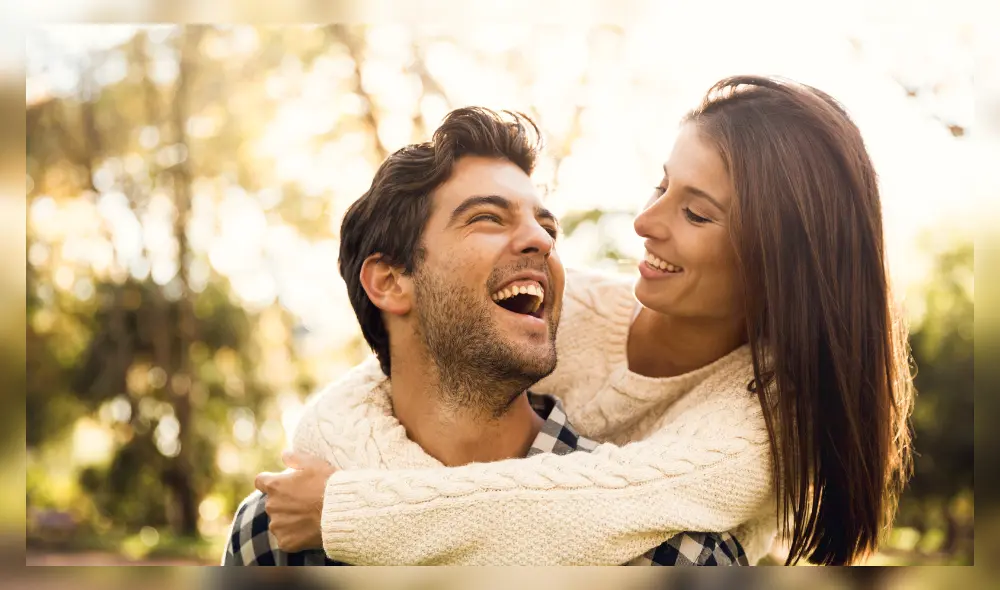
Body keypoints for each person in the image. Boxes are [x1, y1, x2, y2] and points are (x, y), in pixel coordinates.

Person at [254, 76, 915, 566]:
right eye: (662, 186)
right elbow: (370, 388)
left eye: (697, 213)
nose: (644, 223)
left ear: (775, 267)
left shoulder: (757, 431)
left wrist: (347, 512)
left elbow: (589, 508)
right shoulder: (562, 310)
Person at [223, 106, 746, 566]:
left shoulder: (674, 556)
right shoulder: (276, 538)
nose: (541, 240)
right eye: (488, 218)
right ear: (389, 281)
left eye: (547, 227)